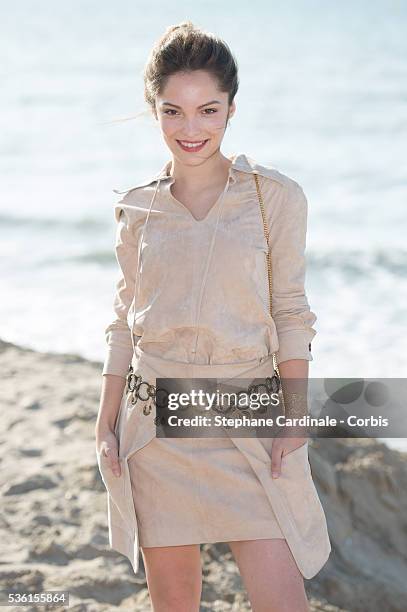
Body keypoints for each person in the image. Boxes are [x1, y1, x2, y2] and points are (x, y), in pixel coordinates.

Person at [95, 20, 331, 612]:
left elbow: (291, 312)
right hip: (154, 427)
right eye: (173, 111)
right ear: (154, 110)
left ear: (231, 109)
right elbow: (126, 317)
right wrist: (106, 421)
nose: (190, 128)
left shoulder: (273, 197)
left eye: (208, 110)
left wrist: (294, 417)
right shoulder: (136, 207)